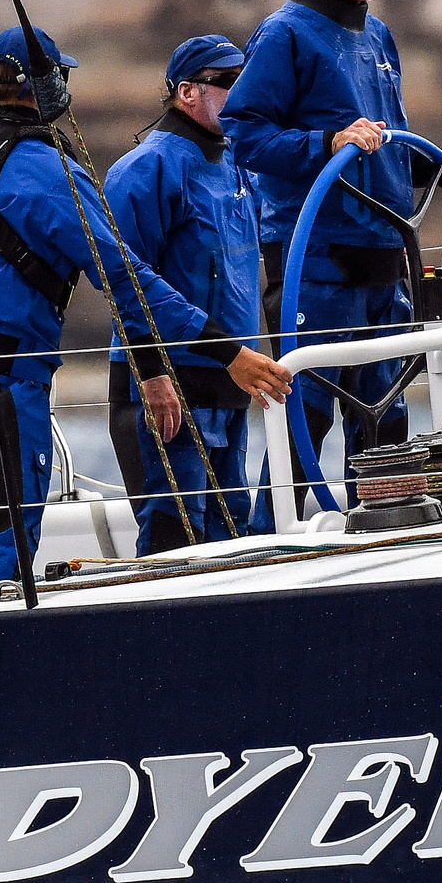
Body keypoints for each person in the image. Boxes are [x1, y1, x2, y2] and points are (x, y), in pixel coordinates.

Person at [0, 26, 227, 585]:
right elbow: (128, 282)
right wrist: (224, 349)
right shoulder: (55, 176)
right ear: (50, 83)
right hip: (2, 383)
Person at [223, 0, 442, 498]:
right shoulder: (284, 35)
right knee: (308, 413)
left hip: (383, 266)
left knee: (387, 424)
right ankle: (281, 547)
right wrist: (326, 142)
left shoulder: (378, 36)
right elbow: (243, 134)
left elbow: (390, 145)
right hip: (314, 265)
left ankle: (382, 536)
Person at [104, 34, 297, 552]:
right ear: (187, 91)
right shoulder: (145, 169)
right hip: (166, 388)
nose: (244, 91)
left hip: (229, 381)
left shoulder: (237, 163)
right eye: (229, 82)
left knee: (229, 532)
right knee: (174, 535)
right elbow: (124, 283)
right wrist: (151, 375)